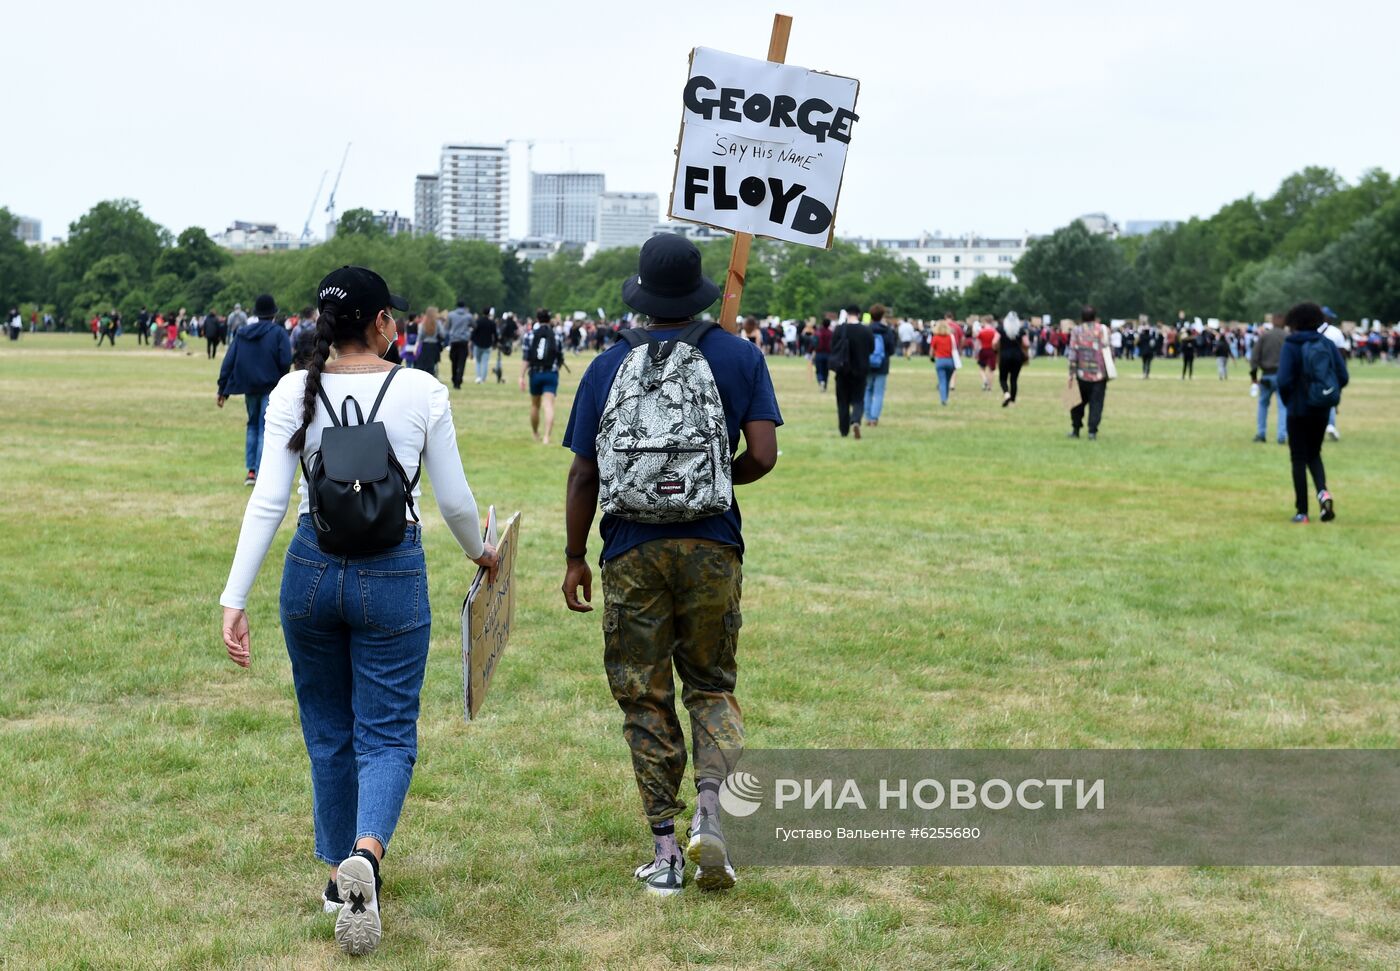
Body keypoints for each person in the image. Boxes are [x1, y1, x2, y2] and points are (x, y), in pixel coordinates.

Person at [218, 265, 496, 956]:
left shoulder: (291, 390)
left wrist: (235, 595)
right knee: (388, 732)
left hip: (309, 571)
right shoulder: (421, 390)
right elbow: (457, 502)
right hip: (392, 571)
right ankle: (366, 857)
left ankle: (336, 872)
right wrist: (482, 552)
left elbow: (270, 501)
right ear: (381, 324)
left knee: (328, 728)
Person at [560, 233, 780, 897]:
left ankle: (664, 851)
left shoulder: (606, 365)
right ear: (698, 290)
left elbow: (581, 473)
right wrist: (715, 480)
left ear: (643, 295)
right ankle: (712, 816)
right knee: (711, 684)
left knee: (644, 692)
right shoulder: (739, 355)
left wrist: (575, 556)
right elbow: (765, 454)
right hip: (713, 543)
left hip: (631, 547)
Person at [1277, 302, 1348, 524]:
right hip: (1320, 409)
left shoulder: (1291, 345)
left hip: (1298, 410)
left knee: (1298, 458)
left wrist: (1290, 400)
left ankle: (1303, 512)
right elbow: (1342, 376)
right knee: (1314, 453)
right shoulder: (1326, 343)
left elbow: (1283, 380)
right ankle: (1323, 493)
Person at [217, 294, 292, 486]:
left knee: (252, 425)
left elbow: (229, 361)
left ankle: (251, 470)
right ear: (274, 313)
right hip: (270, 387)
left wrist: (222, 390)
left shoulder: (242, 333)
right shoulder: (278, 333)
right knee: (264, 428)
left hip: (249, 388)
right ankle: (261, 471)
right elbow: (285, 360)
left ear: (256, 314)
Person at [1066, 306, 1112, 440]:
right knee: (1096, 404)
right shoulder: (1103, 330)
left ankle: (1075, 429)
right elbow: (1109, 351)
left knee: (1075, 403)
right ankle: (1092, 431)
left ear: (1081, 317)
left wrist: (1071, 373)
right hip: (1099, 375)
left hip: (1081, 374)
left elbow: (1073, 353)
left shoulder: (1076, 330)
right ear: (1095, 317)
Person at [519, 309, 562, 444]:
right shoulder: (556, 335)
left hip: (535, 373)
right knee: (548, 405)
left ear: (537, 319)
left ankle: (535, 433)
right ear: (549, 320)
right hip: (551, 373)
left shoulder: (529, 335)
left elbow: (526, 358)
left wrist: (521, 376)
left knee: (535, 405)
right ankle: (546, 437)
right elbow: (560, 355)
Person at [830, 304, 873, 438]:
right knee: (858, 399)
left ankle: (844, 430)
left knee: (842, 401)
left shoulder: (839, 329)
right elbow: (871, 348)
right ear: (859, 314)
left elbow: (833, 348)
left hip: (843, 370)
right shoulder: (866, 331)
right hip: (860, 370)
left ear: (846, 314)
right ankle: (855, 420)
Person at [1250, 313, 1288, 444]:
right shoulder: (1287, 337)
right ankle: (1281, 435)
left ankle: (1261, 433)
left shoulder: (1264, 336)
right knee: (1283, 406)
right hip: (1282, 376)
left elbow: (1254, 357)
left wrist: (1254, 376)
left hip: (1266, 375)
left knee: (1262, 404)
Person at [863, 304, 895, 426]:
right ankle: (874, 418)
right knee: (879, 392)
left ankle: (867, 416)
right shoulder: (887, 331)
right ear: (882, 315)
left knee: (867, 390)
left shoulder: (866, 330)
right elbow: (891, 350)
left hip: (867, 363)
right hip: (882, 364)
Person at [1319, 309, 1345, 440]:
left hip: (1315, 369)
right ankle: (1330, 424)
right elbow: (1341, 354)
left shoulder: (1313, 330)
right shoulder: (1336, 332)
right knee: (1330, 396)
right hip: (1331, 370)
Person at [997, 312, 1029, 406]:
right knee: (1014, 379)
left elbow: (994, 342)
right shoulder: (1021, 330)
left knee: (1003, 378)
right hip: (1017, 356)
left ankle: (1006, 394)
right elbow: (1026, 343)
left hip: (1004, 355)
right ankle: (1013, 400)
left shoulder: (1001, 329)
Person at [445, 299, 473, 389]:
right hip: (464, 341)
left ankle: (454, 378)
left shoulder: (451, 315)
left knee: (454, 361)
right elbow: (474, 325)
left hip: (454, 341)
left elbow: (447, 327)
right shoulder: (468, 316)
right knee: (462, 362)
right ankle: (459, 381)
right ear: (464, 306)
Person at [929, 320, 956, 405]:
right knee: (947, 381)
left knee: (942, 381)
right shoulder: (950, 337)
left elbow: (931, 351)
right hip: (950, 361)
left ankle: (943, 399)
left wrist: (932, 358)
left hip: (940, 360)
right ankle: (946, 398)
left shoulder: (935, 338)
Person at [471, 309, 496, 383]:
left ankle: (478, 377)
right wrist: (495, 343)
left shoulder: (478, 321)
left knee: (478, 362)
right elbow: (495, 334)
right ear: (489, 313)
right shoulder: (491, 323)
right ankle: (483, 378)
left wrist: (473, 340)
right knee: (485, 362)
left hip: (478, 344)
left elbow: (474, 332)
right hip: (487, 345)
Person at [416, 308, 442, 378]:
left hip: (425, 345)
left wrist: (416, 346)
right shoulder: (438, 323)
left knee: (424, 364)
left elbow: (420, 336)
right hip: (434, 346)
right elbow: (442, 334)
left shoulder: (423, 323)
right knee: (432, 364)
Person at [494, 312, 519, 383]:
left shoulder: (503, 322)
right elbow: (516, 330)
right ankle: (497, 370)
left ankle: (497, 369)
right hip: (509, 339)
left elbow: (501, 332)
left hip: (504, 339)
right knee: (507, 352)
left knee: (503, 353)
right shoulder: (512, 322)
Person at [975, 317, 998, 391]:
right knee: (991, 370)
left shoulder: (982, 331)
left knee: (982, 368)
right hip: (992, 350)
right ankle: (989, 387)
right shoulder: (994, 331)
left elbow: (977, 341)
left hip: (983, 350)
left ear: (985, 322)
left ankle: (985, 380)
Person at [812, 318, 832, 391]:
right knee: (826, 371)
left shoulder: (818, 332)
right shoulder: (831, 333)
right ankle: (825, 384)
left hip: (819, 353)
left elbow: (814, 343)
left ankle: (821, 381)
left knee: (819, 370)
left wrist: (811, 351)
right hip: (828, 354)